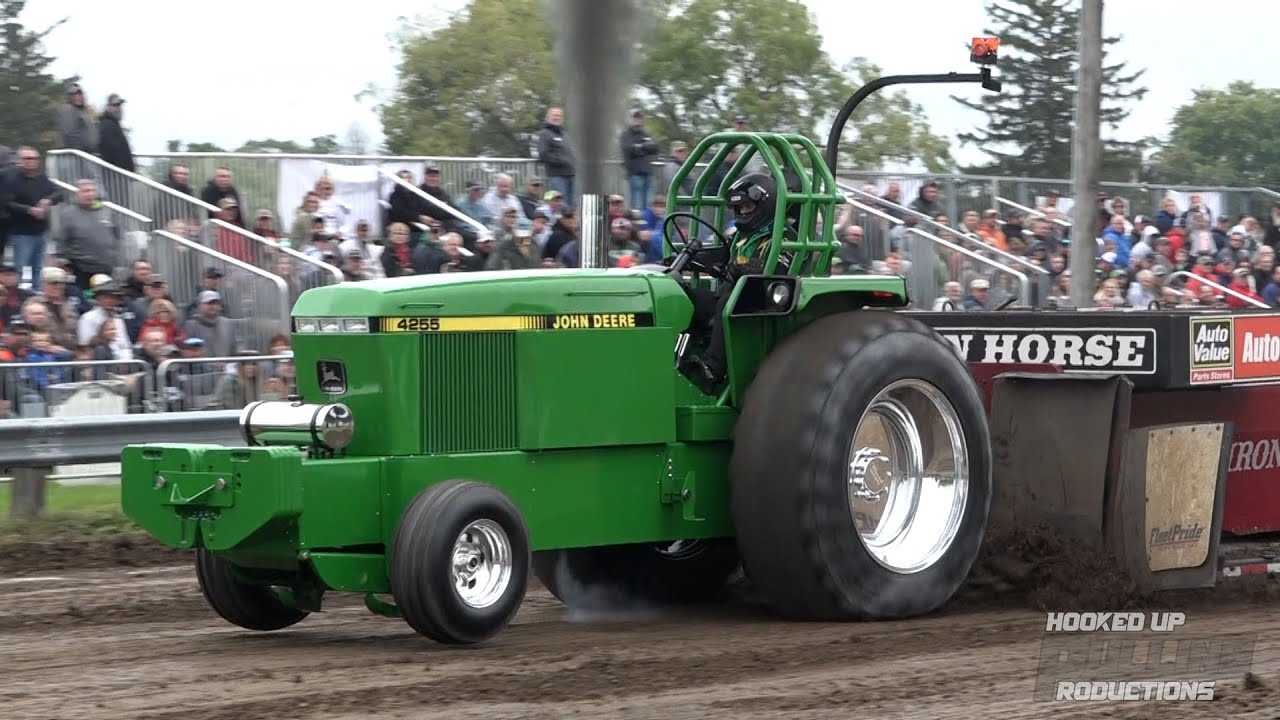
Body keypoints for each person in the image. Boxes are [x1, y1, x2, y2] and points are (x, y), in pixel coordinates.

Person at [676, 172, 792, 394]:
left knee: (726, 303)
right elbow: (719, 255)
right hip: (730, 296)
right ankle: (678, 358)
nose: (742, 212)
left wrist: (743, 269)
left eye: (748, 207)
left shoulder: (783, 237)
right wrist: (685, 260)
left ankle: (713, 370)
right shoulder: (739, 237)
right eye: (739, 208)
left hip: (762, 305)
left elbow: (779, 268)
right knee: (684, 297)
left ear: (764, 205)